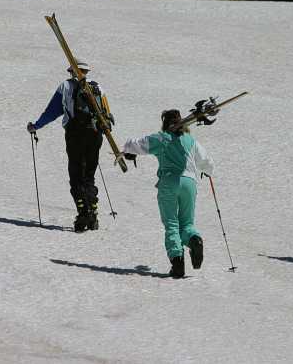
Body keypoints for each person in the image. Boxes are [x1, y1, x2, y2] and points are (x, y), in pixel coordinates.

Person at [122, 109, 214, 278]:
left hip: (169, 182)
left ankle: (177, 263)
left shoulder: (161, 138)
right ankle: (194, 239)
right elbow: (207, 161)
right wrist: (208, 171)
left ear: (165, 123)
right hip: (190, 183)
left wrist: (126, 149)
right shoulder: (190, 140)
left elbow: (137, 144)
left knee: (171, 223)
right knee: (187, 223)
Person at [27, 60, 110, 233]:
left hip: (75, 134)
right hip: (95, 135)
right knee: (89, 175)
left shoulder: (65, 86)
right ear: (85, 71)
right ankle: (93, 212)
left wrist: (36, 125)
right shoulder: (98, 88)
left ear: (72, 71)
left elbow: (52, 111)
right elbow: (106, 114)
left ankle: (83, 214)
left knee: (76, 174)